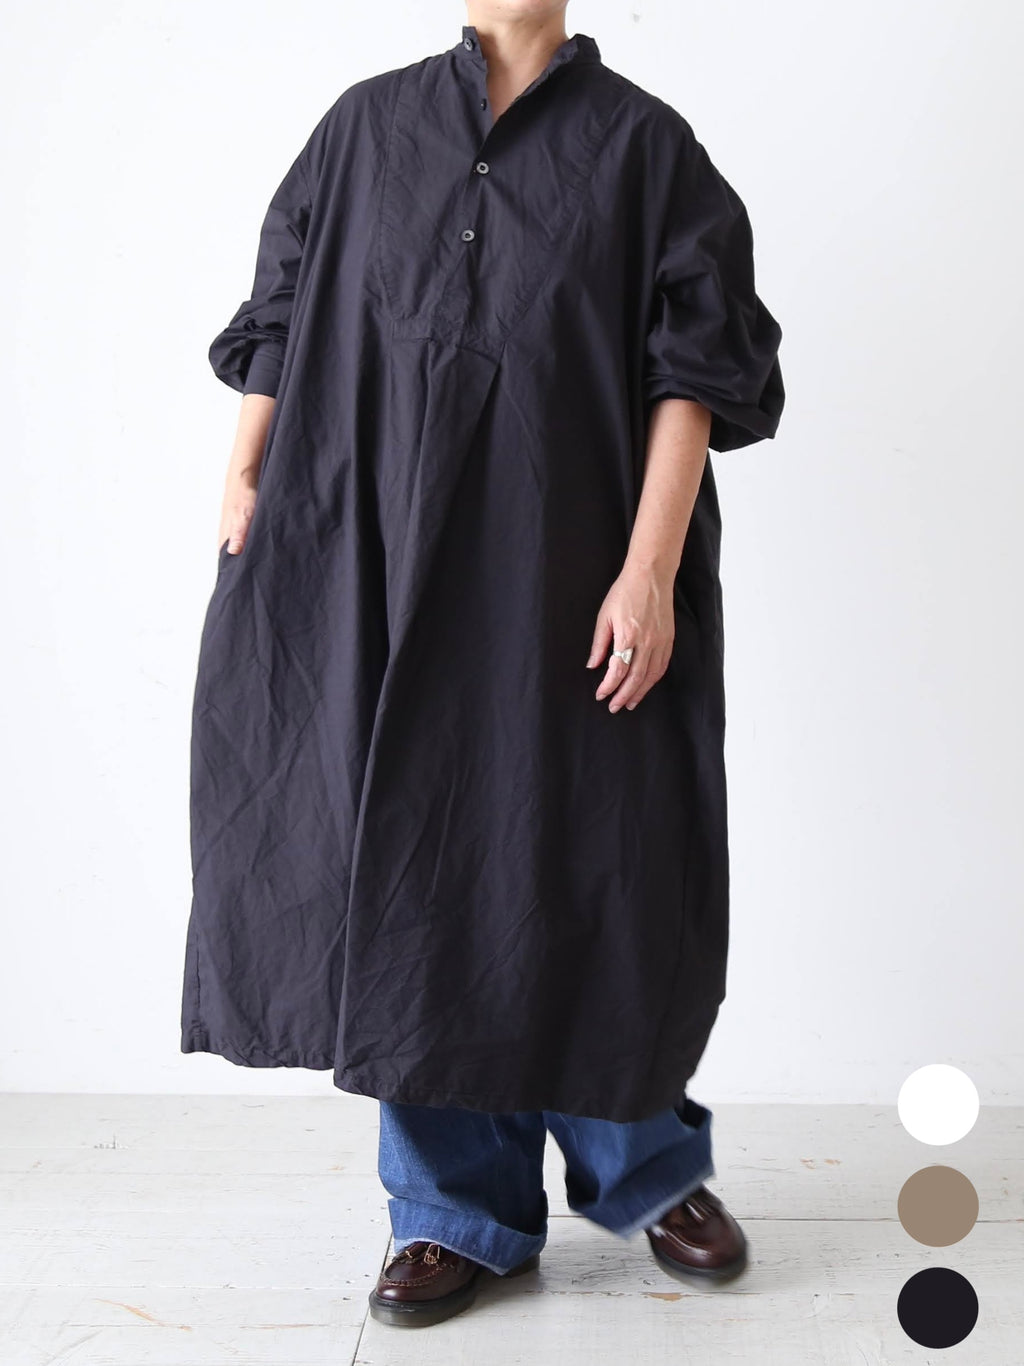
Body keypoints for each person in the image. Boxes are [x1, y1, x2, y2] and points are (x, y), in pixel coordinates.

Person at [180, 0, 784, 1328]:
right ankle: (453, 1210)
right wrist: (244, 472)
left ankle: (646, 1166)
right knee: (414, 859)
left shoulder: (646, 148)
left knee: (595, 852)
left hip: (573, 562)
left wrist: (649, 570)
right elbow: (283, 310)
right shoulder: (363, 130)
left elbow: (696, 370)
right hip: (381, 552)